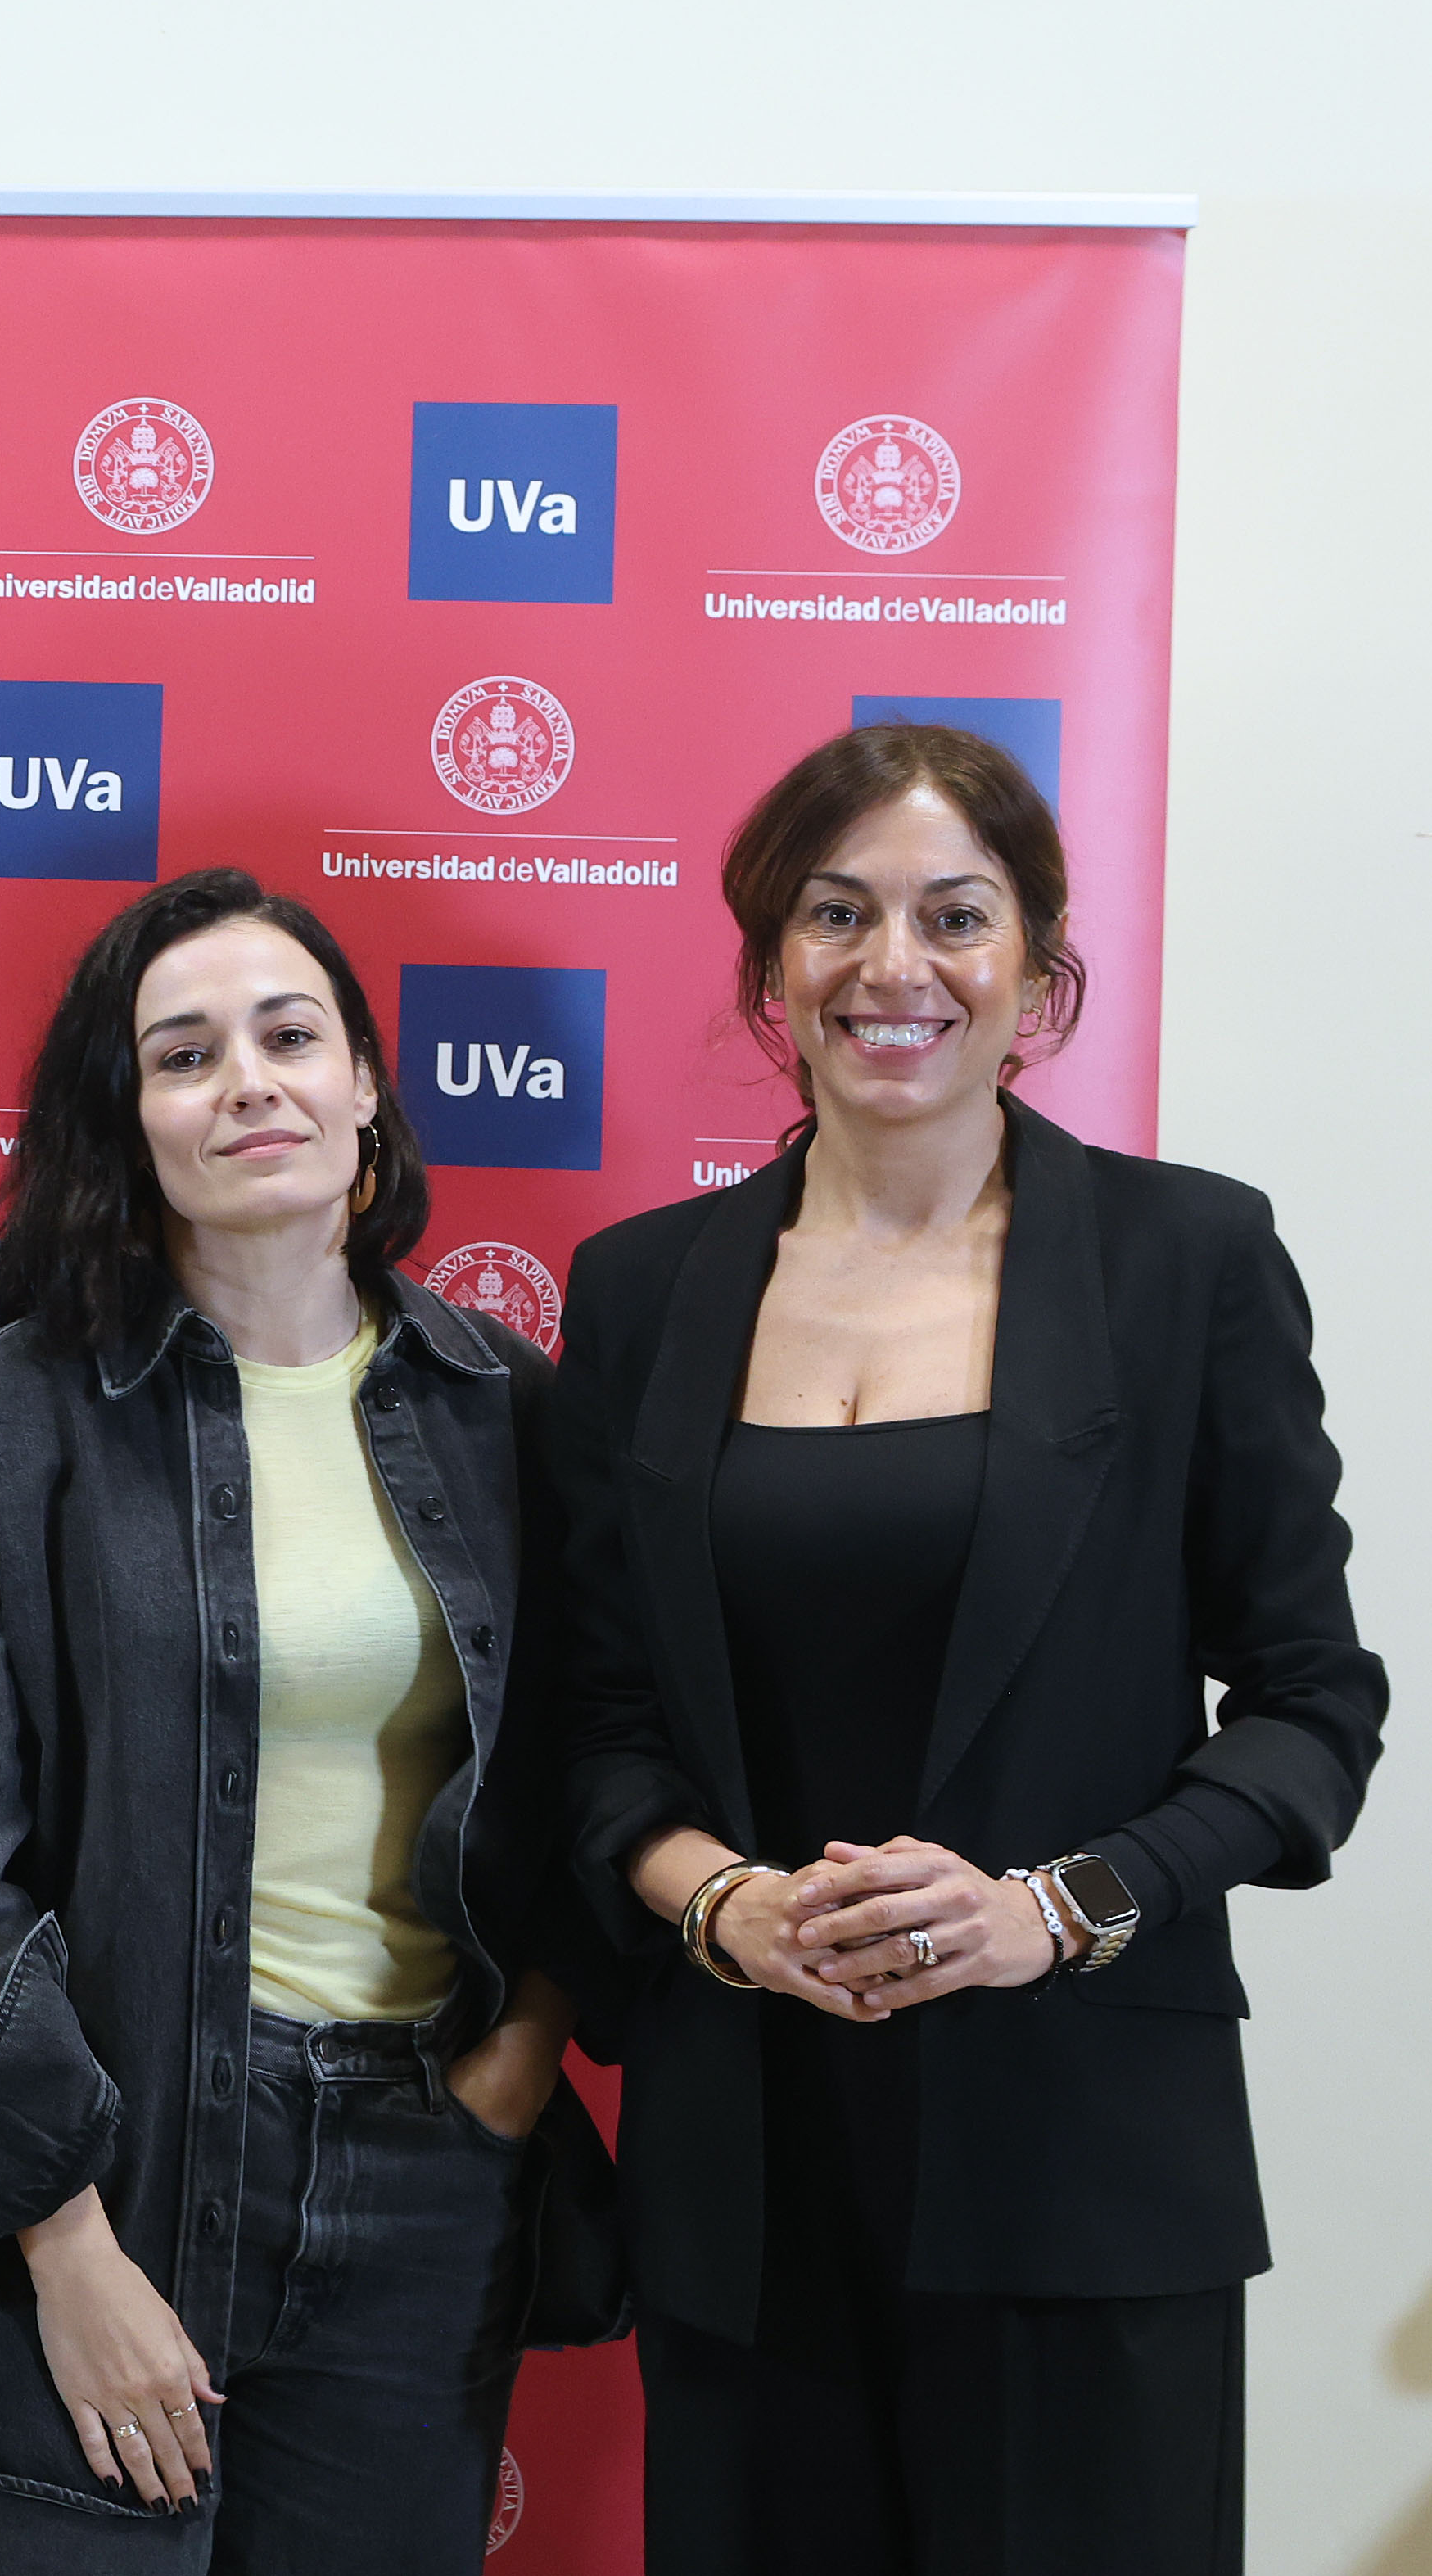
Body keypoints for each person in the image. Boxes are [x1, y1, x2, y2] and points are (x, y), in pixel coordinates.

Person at [548, 724, 1386, 2576]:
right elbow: (593, 1724)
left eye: (954, 914)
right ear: (773, 962)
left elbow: (1315, 1705)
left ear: (1037, 963)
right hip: (752, 2173)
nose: (892, 965)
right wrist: (718, 1907)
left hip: (1081, 2148)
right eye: (837, 914)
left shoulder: (1190, 1262)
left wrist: (1060, 1903)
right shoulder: (642, 1292)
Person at [0, 866, 617, 2570]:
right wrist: (65, 2244)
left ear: (367, 1090)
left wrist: (519, 2057)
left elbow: (588, 1777)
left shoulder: (508, 1412)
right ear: (132, 1125)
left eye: (289, 1033)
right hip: (105, 2162)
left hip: (425, 2167)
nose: (247, 1077)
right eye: (184, 1053)